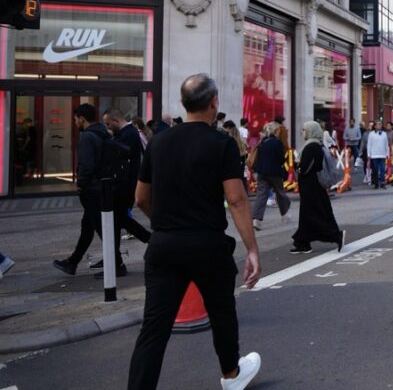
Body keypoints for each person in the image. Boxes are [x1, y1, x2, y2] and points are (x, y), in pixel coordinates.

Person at [126, 73, 260, 390]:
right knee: (221, 311)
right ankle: (230, 374)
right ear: (214, 102)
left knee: (154, 327)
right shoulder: (221, 144)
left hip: (164, 245)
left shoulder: (158, 142)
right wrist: (252, 249)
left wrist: (167, 221)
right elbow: (237, 199)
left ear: (184, 104)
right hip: (207, 243)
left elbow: (141, 198)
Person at [53, 103, 123, 277]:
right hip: (103, 187)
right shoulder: (103, 134)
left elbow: (86, 164)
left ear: (82, 119)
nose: (75, 122)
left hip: (92, 189)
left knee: (101, 227)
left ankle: (117, 264)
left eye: (76, 119)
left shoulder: (87, 137)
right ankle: (73, 262)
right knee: (89, 226)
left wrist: (80, 183)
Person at [103, 109, 153, 275]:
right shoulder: (127, 134)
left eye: (109, 124)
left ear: (116, 120)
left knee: (119, 220)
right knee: (119, 221)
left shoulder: (129, 134)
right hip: (124, 186)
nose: (108, 127)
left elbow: (128, 158)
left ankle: (116, 262)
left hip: (125, 187)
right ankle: (114, 261)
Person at [290, 122, 346, 254]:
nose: (302, 133)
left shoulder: (311, 146)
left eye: (304, 130)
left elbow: (304, 168)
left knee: (312, 213)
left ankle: (335, 235)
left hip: (311, 185)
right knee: (312, 212)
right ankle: (302, 242)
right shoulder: (317, 145)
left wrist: (297, 167)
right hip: (314, 185)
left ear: (311, 131)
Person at [251, 122, 291, 230]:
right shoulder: (277, 142)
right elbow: (281, 159)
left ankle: (256, 219)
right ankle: (284, 215)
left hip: (261, 172)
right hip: (275, 173)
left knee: (261, 195)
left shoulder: (262, 142)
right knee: (280, 193)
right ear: (275, 131)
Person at [366, 121, 389, 189]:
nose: (379, 125)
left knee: (382, 169)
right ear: (375, 126)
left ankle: (382, 183)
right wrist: (369, 155)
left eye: (380, 124)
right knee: (375, 170)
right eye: (378, 124)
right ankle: (376, 183)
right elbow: (369, 145)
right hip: (374, 155)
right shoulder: (371, 134)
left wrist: (387, 153)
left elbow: (386, 144)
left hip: (382, 154)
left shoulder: (384, 134)